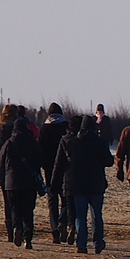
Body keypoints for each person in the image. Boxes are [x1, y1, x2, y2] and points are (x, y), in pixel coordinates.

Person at [54, 115, 111, 254]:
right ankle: (97, 243)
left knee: (80, 216)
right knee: (97, 215)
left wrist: (54, 183)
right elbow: (109, 161)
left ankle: (81, 244)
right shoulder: (100, 143)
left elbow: (61, 163)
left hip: (77, 184)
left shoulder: (72, 143)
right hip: (96, 184)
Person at [0, 107, 43, 248]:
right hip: (29, 182)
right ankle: (28, 239)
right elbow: (41, 159)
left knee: (15, 209)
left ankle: (17, 228)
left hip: (12, 182)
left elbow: (0, 162)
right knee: (28, 211)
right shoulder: (33, 142)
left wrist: (0, 180)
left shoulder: (9, 143)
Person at [38, 104, 71, 243]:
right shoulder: (65, 126)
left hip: (49, 168)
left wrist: (43, 164)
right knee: (66, 198)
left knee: (52, 199)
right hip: (64, 167)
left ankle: (54, 231)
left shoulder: (44, 128)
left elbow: (40, 148)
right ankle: (63, 222)